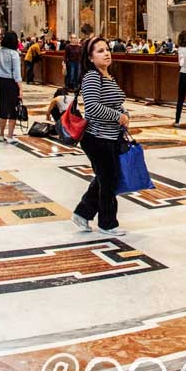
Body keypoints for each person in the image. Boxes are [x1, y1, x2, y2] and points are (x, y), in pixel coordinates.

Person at [71, 37, 131, 236]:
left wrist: (124, 113)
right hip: (96, 137)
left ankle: (82, 213)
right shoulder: (92, 77)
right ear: (90, 57)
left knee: (106, 177)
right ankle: (107, 223)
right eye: (100, 51)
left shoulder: (108, 76)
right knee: (108, 180)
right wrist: (118, 116)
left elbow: (115, 103)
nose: (106, 53)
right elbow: (93, 108)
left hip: (111, 136)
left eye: (107, 49)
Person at [0, 30, 23, 143]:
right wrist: (20, 88)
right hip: (11, 82)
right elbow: (17, 73)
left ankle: (1, 134)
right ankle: (10, 136)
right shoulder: (14, 54)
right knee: (12, 109)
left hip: (1, 80)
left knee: (3, 106)